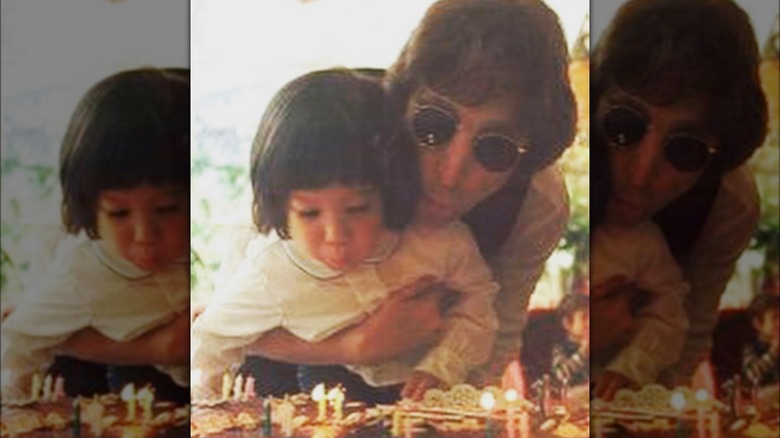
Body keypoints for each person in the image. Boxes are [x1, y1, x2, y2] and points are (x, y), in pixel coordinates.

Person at [219, 0, 576, 392]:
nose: (450, 174)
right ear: (400, 100)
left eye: (494, 148)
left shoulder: (538, 201)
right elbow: (225, 321)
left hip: (417, 381)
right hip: (276, 372)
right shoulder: (335, 129)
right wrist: (356, 345)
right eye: (433, 124)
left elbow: (499, 331)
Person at [191, 69, 499, 404]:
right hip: (324, 395)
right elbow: (211, 338)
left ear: (390, 191)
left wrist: (443, 365)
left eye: (357, 208)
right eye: (309, 213)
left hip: (428, 397)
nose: (336, 235)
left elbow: (478, 302)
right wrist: (207, 408)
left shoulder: (438, 243)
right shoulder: (272, 272)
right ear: (279, 207)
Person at [590, 0, 768, 398]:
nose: (640, 175)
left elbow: (689, 333)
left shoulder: (729, 202)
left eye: (684, 149)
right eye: (624, 124)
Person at [0, 68, 190, 403]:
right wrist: (19, 406)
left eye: (167, 209)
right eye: (119, 214)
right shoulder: (79, 274)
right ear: (88, 207)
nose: (145, 236)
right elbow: (20, 336)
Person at [551, 293, 589, 388]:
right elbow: (561, 375)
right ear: (567, 323)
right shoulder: (561, 349)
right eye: (584, 317)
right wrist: (583, 352)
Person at [742, 292, 779, 387]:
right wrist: (773, 353)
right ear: (757, 323)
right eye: (775, 317)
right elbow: (751, 375)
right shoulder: (751, 348)